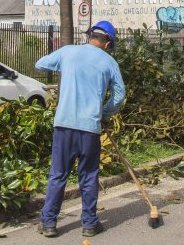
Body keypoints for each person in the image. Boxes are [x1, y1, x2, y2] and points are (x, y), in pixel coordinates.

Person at [34, 20, 126, 238]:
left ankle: (48, 223)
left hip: (64, 124)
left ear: (90, 36)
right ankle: (89, 224)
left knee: (58, 174)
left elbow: (40, 64)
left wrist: (63, 65)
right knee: (88, 176)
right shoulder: (109, 62)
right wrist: (104, 112)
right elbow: (119, 95)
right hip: (89, 128)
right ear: (108, 43)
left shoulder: (68, 52)